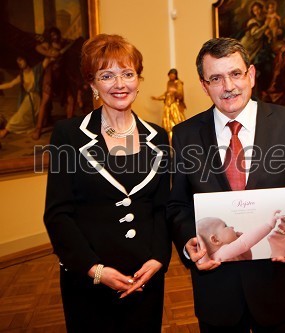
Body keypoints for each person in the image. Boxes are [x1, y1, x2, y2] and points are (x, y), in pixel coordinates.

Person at [167, 37, 285, 332]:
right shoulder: (184, 135)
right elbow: (177, 204)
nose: (228, 86)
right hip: (216, 290)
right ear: (204, 85)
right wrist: (187, 241)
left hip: (278, 284)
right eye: (215, 78)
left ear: (251, 75)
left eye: (235, 74)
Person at [43, 34, 171, 332]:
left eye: (128, 74)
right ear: (92, 84)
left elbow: (163, 207)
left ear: (139, 79)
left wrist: (158, 259)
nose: (120, 84)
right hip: (90, 280)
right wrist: (96, 271)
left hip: (145, 277)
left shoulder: (159, 136)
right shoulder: (68, 135)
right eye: (107, 75)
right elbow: (58, 213)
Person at [196, 211, 285, 262]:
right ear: (215, 240)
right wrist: (268, 226)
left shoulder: (225, 255)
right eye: (225, 226)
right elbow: (245, 243)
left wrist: (244, 248)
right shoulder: (221, 253)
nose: (231, 226)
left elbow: (247, 258)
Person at [0, 55, 43, 138]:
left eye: (21, 60)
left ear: (26, 60)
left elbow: (46, 61)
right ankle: (6, 130)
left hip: (36, 98)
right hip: (28, 99)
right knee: (20, 114)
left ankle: (6, 130)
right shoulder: (22, 76)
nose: (19, 63)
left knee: (25, 116)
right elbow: (10, 84)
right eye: (18, 62)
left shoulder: (36, 71)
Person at [151, 68, 186, 141]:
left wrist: (173, 94)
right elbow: (166, 94)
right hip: (168, 107)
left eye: (173, 75)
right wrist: (157, 98)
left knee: (177, 122)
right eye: (170, 75)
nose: (171, 77)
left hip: (174, 106)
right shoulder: (169, 83)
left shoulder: (178, 83)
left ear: (175, 75)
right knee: (167, 126)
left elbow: (180, 94)